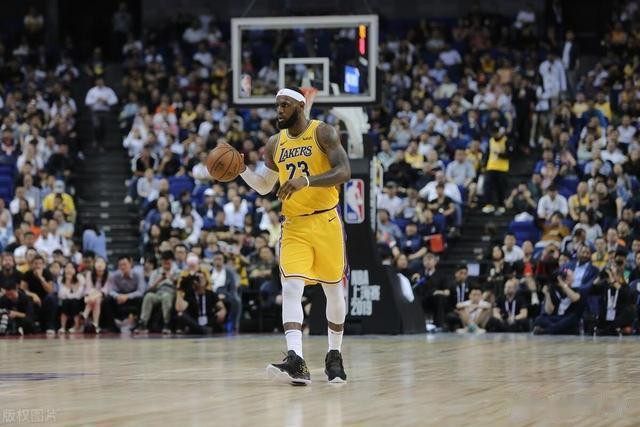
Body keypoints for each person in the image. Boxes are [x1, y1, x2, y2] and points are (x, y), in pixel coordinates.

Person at [237, 87, 350, 384]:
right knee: (290, 288)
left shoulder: (323, 132)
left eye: (284, 105)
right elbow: (265, 186)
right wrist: (241, 170)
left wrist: (306, 181)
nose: (279, 110)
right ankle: (296, 360)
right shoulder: (274, 143)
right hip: (294, 225)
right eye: (277, 105)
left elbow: (344, 171)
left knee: (333, 291)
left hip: (326, 221)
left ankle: (334, 354)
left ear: (300, 106)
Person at [134, 250, 178, 334]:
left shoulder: (177, 272)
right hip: (158, 293)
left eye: (168, 262)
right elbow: (149, 289)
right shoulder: (156, 272)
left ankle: (167, 323)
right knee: (149, 296)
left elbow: (180, 288)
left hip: (171, 293)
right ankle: (143, 323)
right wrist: (158, 281)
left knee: (166, 296)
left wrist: (172, 279)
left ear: (172, 261)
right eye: (164, 262)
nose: (166, 264)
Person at [533, 270, 584, 335]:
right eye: (568, 277)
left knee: (572, 319)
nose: (571, 278)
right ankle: (557, 329)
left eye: (569, 277)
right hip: (556, 318)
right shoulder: (553, 290)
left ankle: (546, 330)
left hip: (567, 318)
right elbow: (549, 311)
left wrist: (563, 284)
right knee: (539, 319)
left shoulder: (576, 289)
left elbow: (575, 298)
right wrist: (547, 294)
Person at [103, 255, 145, 332]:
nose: (122, 267)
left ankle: (138, 325)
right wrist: (117, 296)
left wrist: (127, 296)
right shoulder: (115, 275)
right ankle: (112, 326)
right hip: (119, 297)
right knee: (107, 300)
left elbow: (140, 291)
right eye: (120, 265)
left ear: (130, 264)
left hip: (132, 297)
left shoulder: (138, 275)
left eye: (124, 264)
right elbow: (111, 290)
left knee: (141, 299)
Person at [589, 267, 635, 335]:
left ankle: (606, 331)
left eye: (613, 274)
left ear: (619, 276)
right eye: (610, 275)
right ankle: (609, 330)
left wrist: (612, 280)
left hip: (618, 317)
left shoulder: (625, 286)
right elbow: (591, 290)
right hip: (606, 317)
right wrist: (599, 277)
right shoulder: (605, 286)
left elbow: (625, 294)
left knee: (630, 312)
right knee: (590, 320)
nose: (610, 277)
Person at [57, 262, 86, 334]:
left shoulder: (80, 278)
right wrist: (67, 282)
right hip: (65, 301)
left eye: (71, 267)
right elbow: (61, 295)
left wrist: (71, 285)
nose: (69, 270)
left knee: (74, 302)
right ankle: (63, 327)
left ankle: (76, 326)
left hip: (79, 300)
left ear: (75, 269)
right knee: (65, 302)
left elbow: (78, 295)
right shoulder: (60, 279)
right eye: (67, 268)